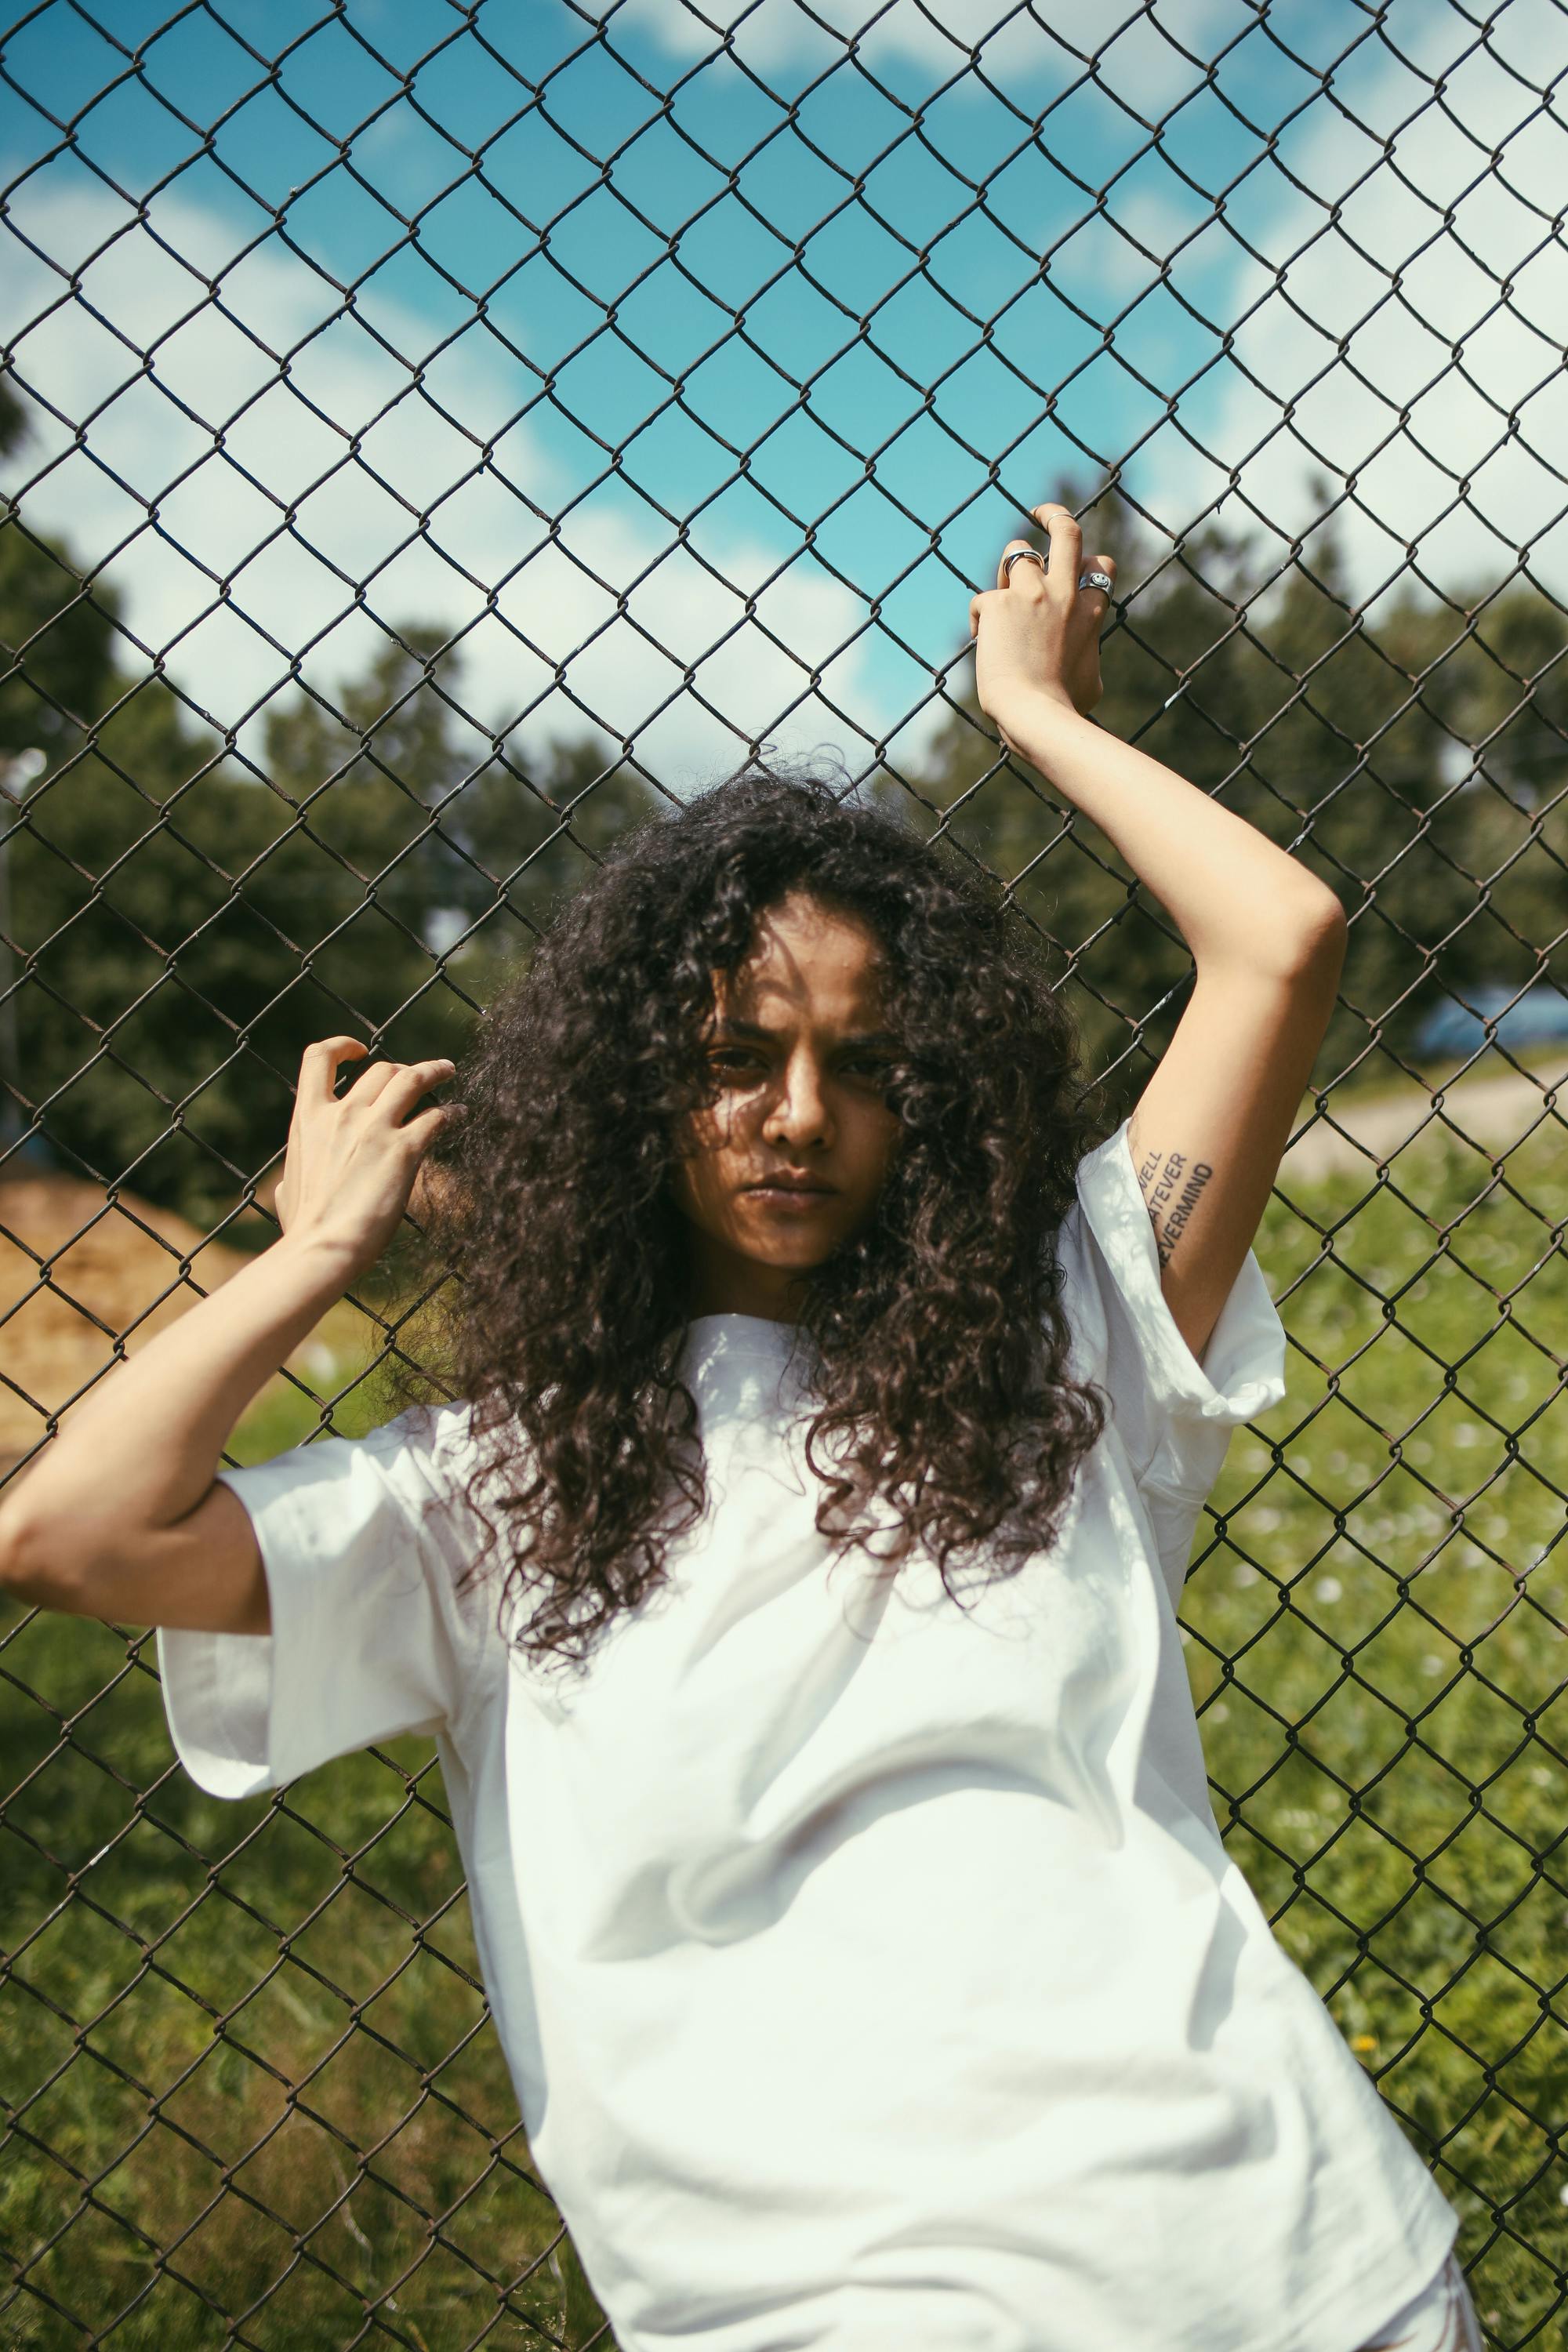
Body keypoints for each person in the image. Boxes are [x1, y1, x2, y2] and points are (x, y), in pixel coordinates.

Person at [0, 504, 1480, 2352]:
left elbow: (1281, 937)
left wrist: (1033, 714)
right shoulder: (495, 1488)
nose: (796, 1114)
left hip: (1278, 2267)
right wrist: (311, 1257)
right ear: (639, 1085)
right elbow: (68, 1536)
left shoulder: (1070, 1335)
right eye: (732, 1059)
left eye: (862, 1064)